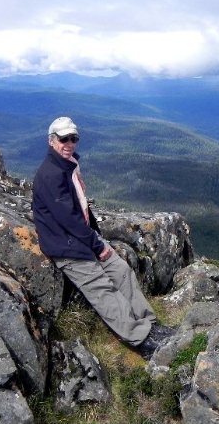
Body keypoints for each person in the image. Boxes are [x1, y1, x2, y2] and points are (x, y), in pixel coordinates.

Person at [32, 116, 173, 358]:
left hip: (82, 239)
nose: (69, 144)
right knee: (103, 289)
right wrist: (97, 245)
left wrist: (95, 238)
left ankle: (150, 325)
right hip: (67, 246)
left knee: (121, 271)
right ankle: (141, 340)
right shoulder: (51, 175)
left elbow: (80, 209)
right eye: (63, 139)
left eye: (73, 138)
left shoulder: (67, 166)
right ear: (51, 141)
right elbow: (69, 219)